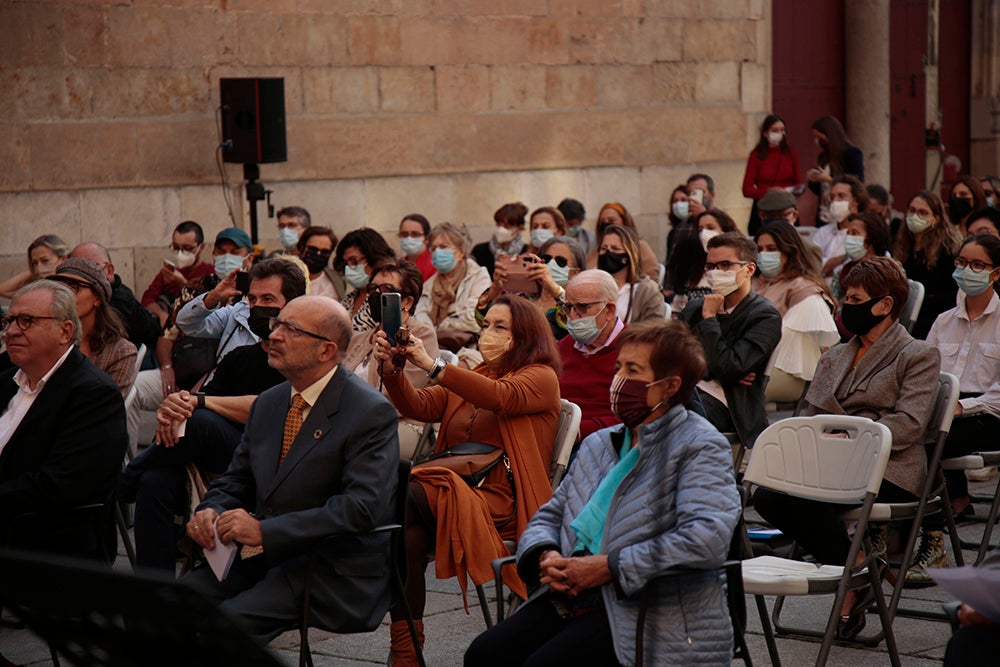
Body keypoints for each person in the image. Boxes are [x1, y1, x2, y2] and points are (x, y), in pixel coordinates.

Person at [464, 319, 741, 666]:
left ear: (670, 385)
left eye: (634, 370)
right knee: (484, 654)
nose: (619, 381)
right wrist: (546, 555)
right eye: (618, 368)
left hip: (648, 608)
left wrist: (608, 566)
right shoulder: (601, 443)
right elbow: (551, 513)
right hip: (572, 593)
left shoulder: (700, 446)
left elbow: (706, 538)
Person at [183, 296, 398, 643]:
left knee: (220, 631)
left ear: (326, 351)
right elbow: (237, 478)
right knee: (168, 605)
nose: (274, 335)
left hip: (329, 564)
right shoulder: (270, 401)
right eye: (277, 324)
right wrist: (210, 509)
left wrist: (265, 531)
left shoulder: (369, 412)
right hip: (262, 554)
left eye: (291, 329)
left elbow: (361, 508)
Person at [753, 256, 940, 640]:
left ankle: (852, 580)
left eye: (854, 298)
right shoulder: (835, 355)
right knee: (769, 498)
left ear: (885, 305)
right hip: (831, 462)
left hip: (889, 465)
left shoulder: (916, 354)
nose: (844, 307)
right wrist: (829, 438)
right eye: (844, 297)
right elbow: (812, 415)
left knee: (807, 502)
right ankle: (857, 567)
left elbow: (909, 425)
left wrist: (853, 437)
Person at [374, 294, 561, 665]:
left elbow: (500, 398)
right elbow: (420, 406)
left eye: (499, 326)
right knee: (405, 535)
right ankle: (406, 654)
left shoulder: (541, 376)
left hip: (502, 501)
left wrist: (433, 363)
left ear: (525, 335)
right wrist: (393, 370)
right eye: (486, 324)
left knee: (399, 494)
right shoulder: (478, 374)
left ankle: (352, 550)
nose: (486, 333)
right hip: (451, 489)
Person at [120, 258, 306, 573]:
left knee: (201, 420)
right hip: (217, 456)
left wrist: (199, 403)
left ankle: (125, 480)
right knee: (156, 481)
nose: (257, 307)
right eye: (253, 299)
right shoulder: (239, 357)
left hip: (270, 458)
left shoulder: (302, 358)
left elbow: (268, 409)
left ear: (293, 305)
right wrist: (175, 407)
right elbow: (202, 398)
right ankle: (154, 597)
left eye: (268, 300)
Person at [0, 281, 127, 562]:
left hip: (46, 543)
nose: (11, 331)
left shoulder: (93, 394)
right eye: (8, 321)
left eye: (26, 321)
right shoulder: (7, 381)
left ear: (65, 331)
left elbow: (63, 485)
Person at [911, 234, 1000, 585]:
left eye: (977, 265)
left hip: (986, 414)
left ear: (995, 274)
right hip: (941, 407)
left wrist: (963, 406)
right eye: (962, 263)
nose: (967, 270)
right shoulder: (943, 320)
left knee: (929, 440)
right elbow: (923, 373)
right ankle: (893, 535)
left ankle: (933, 540)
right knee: (899, 435)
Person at [126, 228, 254, 447]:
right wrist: (166, 369)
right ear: (213, 253)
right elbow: (169, 334)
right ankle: (123, 458)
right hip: (182, 369)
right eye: (222, 251)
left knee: (185, 419)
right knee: (131, 387)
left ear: (249, 258)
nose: (227, 257)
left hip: (218, 382)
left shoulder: (253, 293)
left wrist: (197, 390)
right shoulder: (195, 288)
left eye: (234, 251)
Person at [680, 232, 781, 448]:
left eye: (725, 265)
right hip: (689, 389)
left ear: (749, 269)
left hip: (730, 404)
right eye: (711, 266)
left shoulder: (765, 316)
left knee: (674, 412)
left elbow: (730, 368)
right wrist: (715, 367)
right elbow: (674, 357)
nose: (716, 273)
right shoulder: (694, 308)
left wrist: (709, 320)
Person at [340, 258, 440, 458]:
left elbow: (402, 397)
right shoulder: (360, 337)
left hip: (398, 422)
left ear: (407, 301)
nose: (376, 294)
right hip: (351, 419)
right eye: (373, 288)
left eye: (386, 288)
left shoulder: (420, 335)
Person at [752, 222, 839, 402]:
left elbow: (783, 342)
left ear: (789, 251)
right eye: (760, 249)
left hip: (782, 371)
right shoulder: (757, 281)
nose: (764, 255)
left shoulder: (803, 289)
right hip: (752, 362)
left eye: (771, 249)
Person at [50, 259, 138, 398]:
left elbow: (108, 408)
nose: (64, 296)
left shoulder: (119, 351)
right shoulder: (44, 339)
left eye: (73, 288)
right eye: (59, 289)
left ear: (98, 298)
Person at [557, 270, 627, 441]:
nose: (572, 316)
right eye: (568, 307)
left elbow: (632, 415)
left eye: (582, 307)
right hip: (556, 435)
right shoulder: (563, 346)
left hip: (603, 443)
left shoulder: (633, 350)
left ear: (609, 310)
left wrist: (578, 432)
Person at [476, 235, 585, 341]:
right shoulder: (522, 299)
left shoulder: (579, 306)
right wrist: (496, 287)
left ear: (575, 273)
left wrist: (553, 287)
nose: (551, 265)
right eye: (546, 259)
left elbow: (576, 326)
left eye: (560, 261)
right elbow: (482, 320)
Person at [414, 222, 491, 357]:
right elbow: (420, 319)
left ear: (461, 251)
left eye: (443, 247)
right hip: (433, 349)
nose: (438, 253)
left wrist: (440, 328)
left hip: (471, 350)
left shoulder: (478, 276)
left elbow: (474, 319)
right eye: (433, 248)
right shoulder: (429, 285)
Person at [893, 190, 964, 339]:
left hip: (933, 320)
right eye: (912, 210)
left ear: (936, 219)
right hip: (904, 315)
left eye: (923, 212)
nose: (915, 216)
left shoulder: (947, 250)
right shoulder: (903, 245)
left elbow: (949, 295)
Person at [69, 242, 161, 351]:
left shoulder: (120, 302)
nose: (81, 276)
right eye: (73, 270)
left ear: (109, 271)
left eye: (90, 267)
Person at [141, 221, 214, 328]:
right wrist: (162, 315)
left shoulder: (210, 272)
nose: (180, 253)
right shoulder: (168, 273)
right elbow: (147, 299)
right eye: (176, 247)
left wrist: (184, 285)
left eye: (187, 248)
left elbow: (209, 304)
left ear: (201, 247)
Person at [743, 113, 802, 237]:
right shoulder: (756, 156)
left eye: (782, 130)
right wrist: (769, 191)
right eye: (775, 130)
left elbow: (798, 185)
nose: (779, 133)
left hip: (786, 206)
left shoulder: (791, 153)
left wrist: (785, 192)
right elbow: (747, 189)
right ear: (765, 133)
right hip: (763, 206)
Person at [595, 224, 665, 323]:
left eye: (615, 248)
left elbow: (654, 328)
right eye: (604, 248)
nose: (608, 252)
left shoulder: (648, 291)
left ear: (629, 254)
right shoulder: (591, 285)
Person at [332, 228, 396, 333]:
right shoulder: (347, 301)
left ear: (374, 258)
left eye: (354, 261)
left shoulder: (387, 299)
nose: (349, 267)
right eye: (345, 263)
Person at [807, 115, 865, 227]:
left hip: (843, 212)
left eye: (819, 137)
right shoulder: (823, 157)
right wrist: (814, 179)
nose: (817, 141)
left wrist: (829, 180)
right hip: (824, 213)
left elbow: (858, 183)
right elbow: (819, 190)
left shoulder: (851, 154)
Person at [812, 175, 869, 281]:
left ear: (856, 201)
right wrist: (841, 259)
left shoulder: (867, 231)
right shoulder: (822, 232)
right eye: (832, 197)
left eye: (841, 196)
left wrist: (830, 267)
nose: (835, 201)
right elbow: (812, 265)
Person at [585, 202, 659, 281]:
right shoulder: (594, 253)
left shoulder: (640, 247)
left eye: (611, 220)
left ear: (624, 221)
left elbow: (652, 278)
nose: (606, 224)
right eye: (602, 222)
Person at [831, 212, 892, 303]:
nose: (849, 238)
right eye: (848, 233)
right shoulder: (845, 271)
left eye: (854, 233)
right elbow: (833, 303)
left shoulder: (889, 273)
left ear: (870, 240)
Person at [0, 234, 70, 299]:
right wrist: (33, 272)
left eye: (45, 260)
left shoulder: (73, 285)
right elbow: (3, 290)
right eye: (35, 263)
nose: (39, 267)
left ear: (63, 259)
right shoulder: (40, 290)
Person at [472, 202, 529, 277]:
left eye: (507, 226)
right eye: (498, 224)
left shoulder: (527, 252)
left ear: (520, 228)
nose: (501, 229)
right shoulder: (480, 251)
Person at [296, 226, 342, 299]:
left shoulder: (337, 282)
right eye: (313, 249)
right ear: (302, 248)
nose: (318, 254)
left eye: (324, 252)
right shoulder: (286, 278)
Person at [398, 213, 436, 281]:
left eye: (415, 234)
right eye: (404, 234)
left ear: (426, 237)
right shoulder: (399, 264)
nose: (409, 238)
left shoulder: (435, 264)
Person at [664, 184, 692, 260]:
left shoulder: (698, 229)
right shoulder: (673, 232)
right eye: (675, 201)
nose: (679, 204)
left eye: (683, 200)